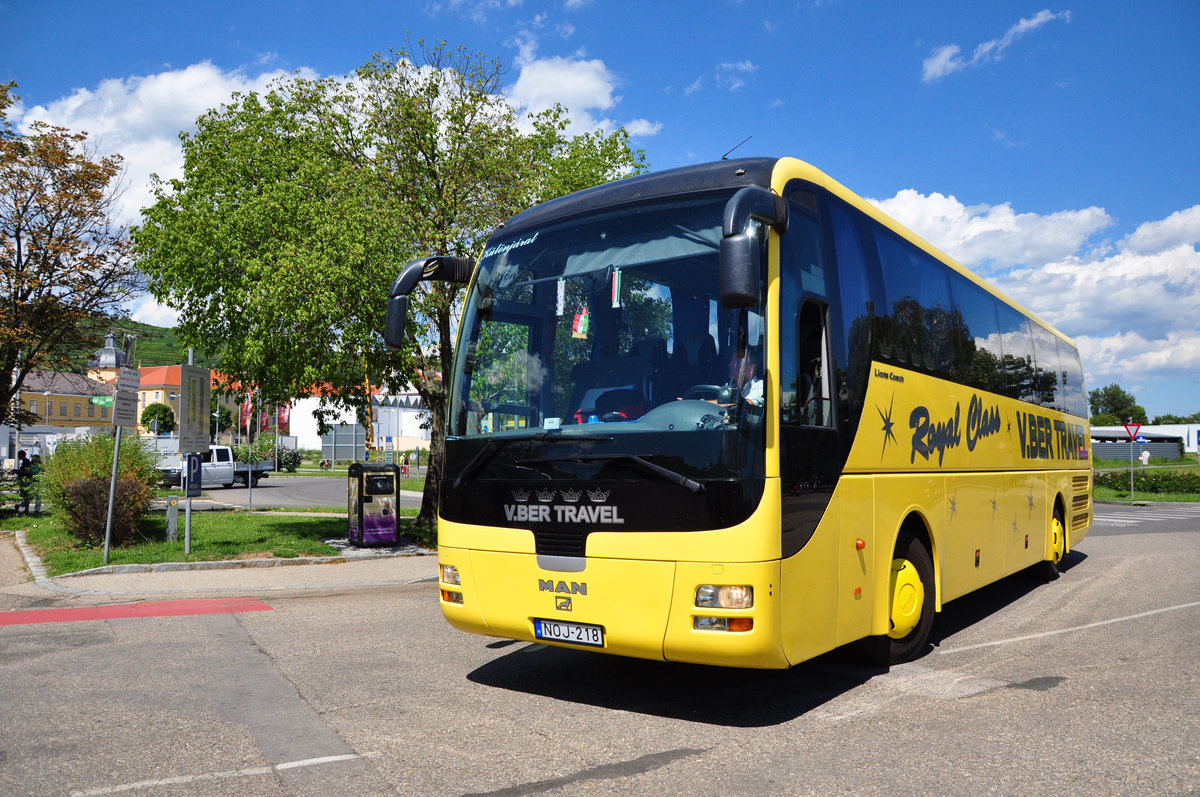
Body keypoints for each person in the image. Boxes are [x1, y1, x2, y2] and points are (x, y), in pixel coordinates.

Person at [15, 449, 33, 515]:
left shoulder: (26, 462)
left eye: (18, 455)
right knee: (25, 496)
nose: (18, 456)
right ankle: (24, 509)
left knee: (26, 495)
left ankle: (25, 509)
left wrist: (17, 471)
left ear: (21, 455)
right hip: (25, 480)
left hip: (26, 481)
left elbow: (26, 472)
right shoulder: (25, 461)